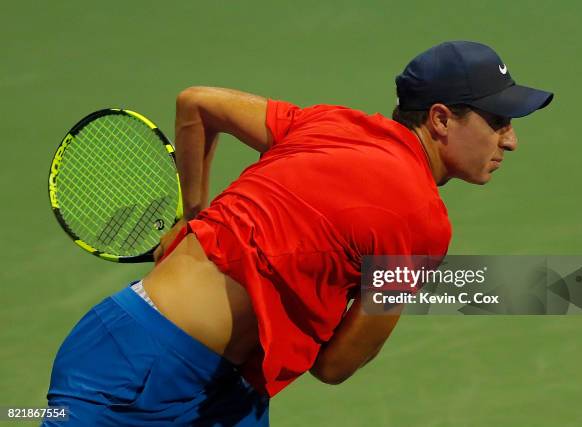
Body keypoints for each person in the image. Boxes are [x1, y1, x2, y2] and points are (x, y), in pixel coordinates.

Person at [44, 41, 553, 426]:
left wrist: (190, 218)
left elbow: (197, 104)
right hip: (135, 370)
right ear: (441, 119)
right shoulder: (421, 222)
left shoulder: (330, 123)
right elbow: (334, 366)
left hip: (218, 388)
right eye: (499, 121)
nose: (511, 141)